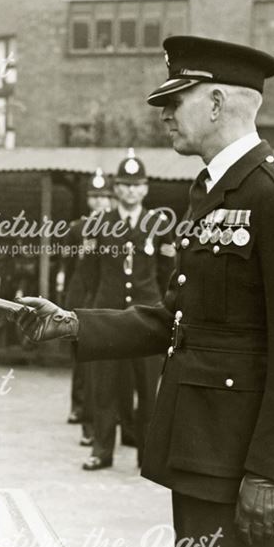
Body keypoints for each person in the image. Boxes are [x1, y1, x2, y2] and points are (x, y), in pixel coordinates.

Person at [11, 35, 274, 547]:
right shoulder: (211, 191)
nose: (164, 114)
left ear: (215, 104)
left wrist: (272, 471)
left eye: (176, 100)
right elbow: (177, 317)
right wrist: (76, 323)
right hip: (202, 443)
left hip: (241, 457)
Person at [80, 150, 176, 470]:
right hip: (108, 317)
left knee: (148, 388)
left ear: (146, 189)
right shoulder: (98, 224)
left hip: (147, 318)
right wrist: (96, 309)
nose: (131, 191)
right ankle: (101, 450)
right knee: (105, 384)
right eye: (124, 185)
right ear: (115, 189)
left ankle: (147, 454)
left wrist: (161, 310)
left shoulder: (159, 224)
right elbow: (89, 272)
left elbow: (167, 272)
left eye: (137, 185)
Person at [58, 168, 111, 446]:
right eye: (95, 196)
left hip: (106, 297)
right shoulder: (76, 229)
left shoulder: (118, 227)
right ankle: (79, 406)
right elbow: (68, 267)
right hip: (81, 296)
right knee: (81, 356)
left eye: (104, 196)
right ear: (89, 200)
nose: (100, 201)